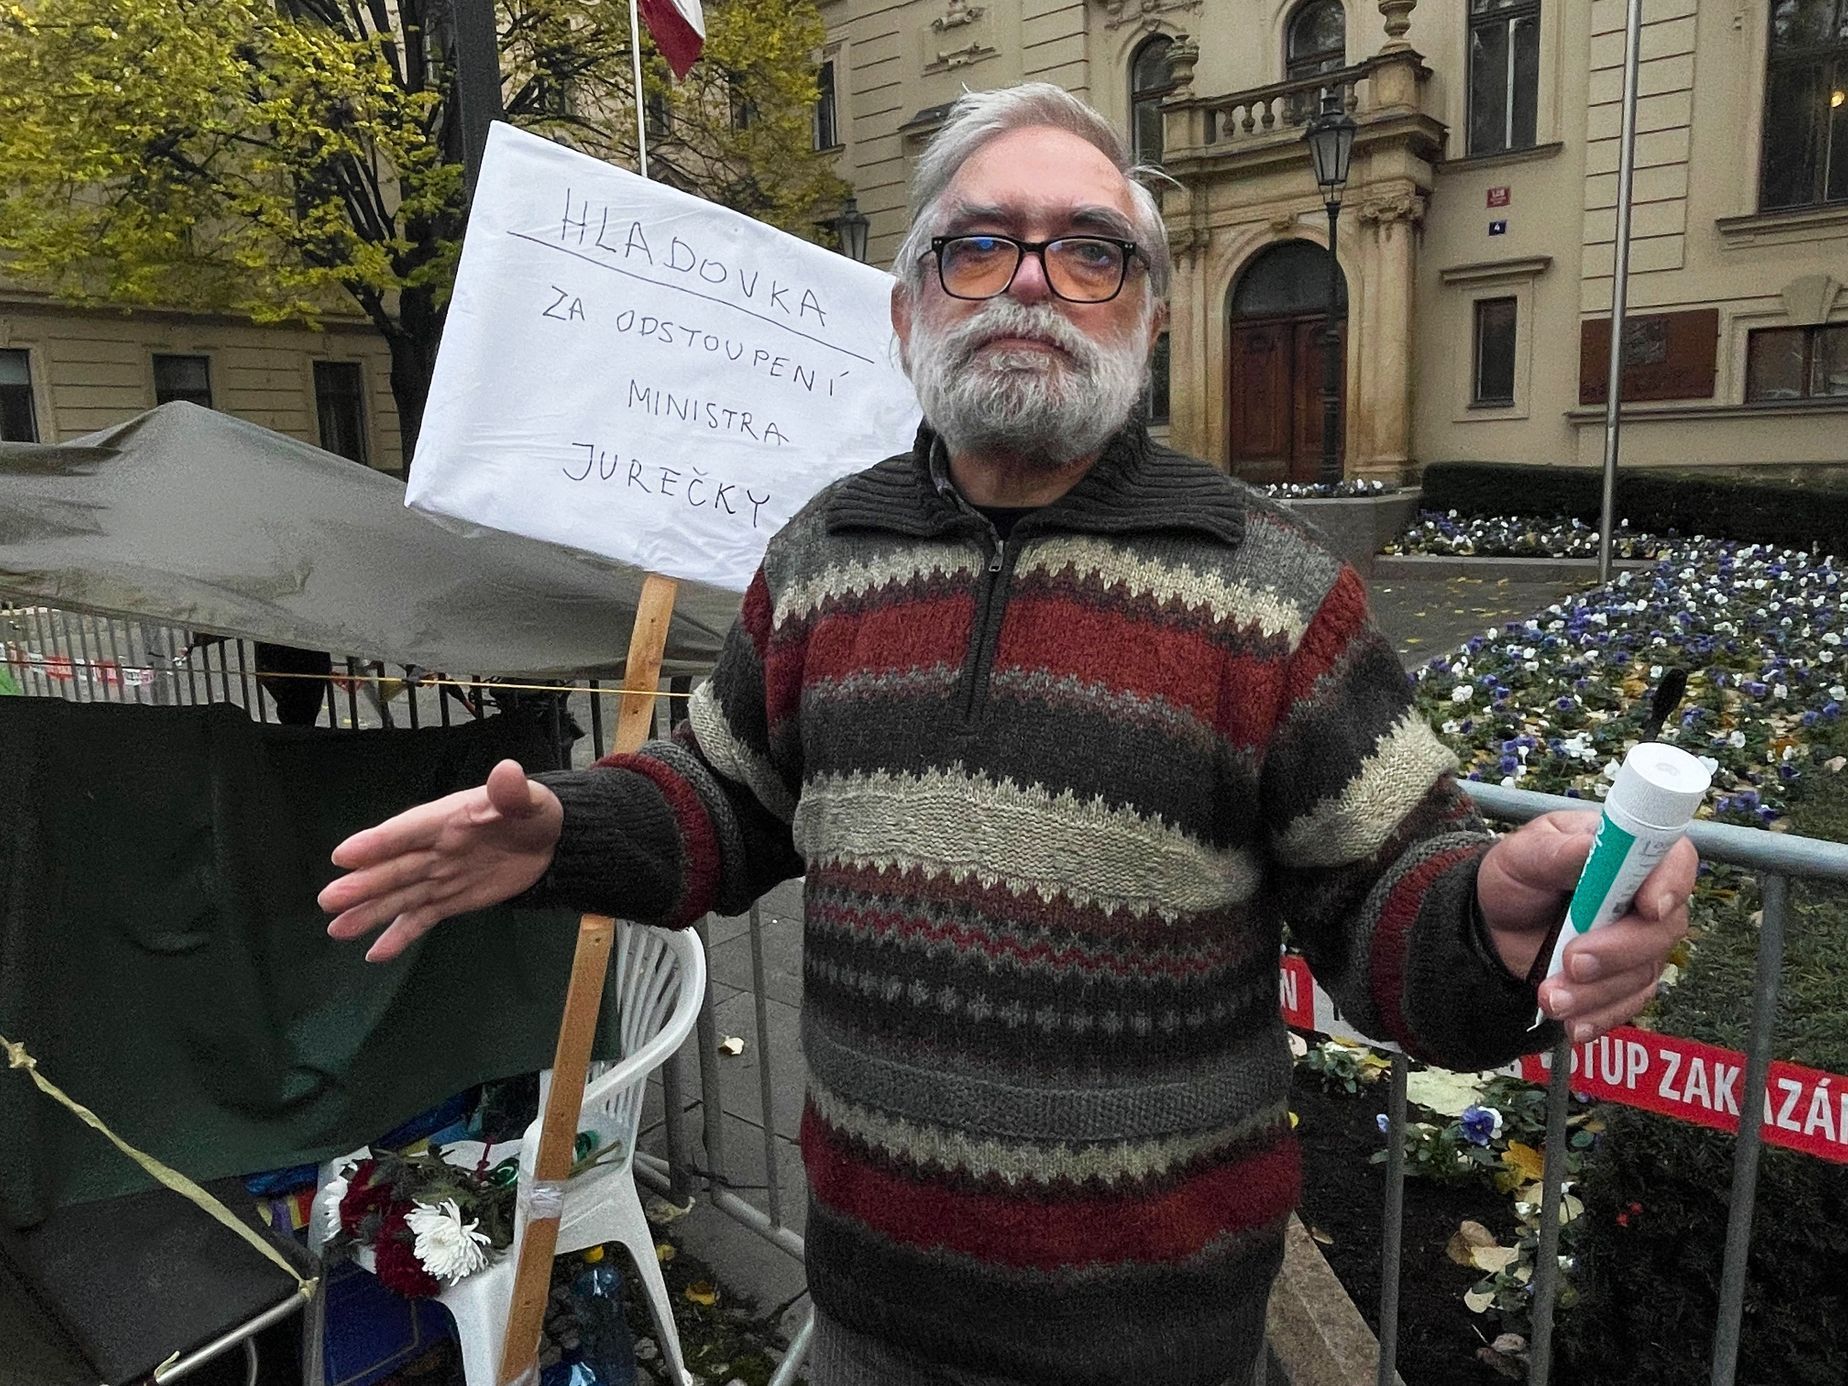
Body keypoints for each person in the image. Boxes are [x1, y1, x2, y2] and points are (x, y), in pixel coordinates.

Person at [319, 84, 1696, 1386]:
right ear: (911, 304)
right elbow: (728, 799)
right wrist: (568, 828)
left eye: (1090, 252)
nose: (1031, 280)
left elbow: (1391, 893)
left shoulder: (1270, 589)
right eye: (979, 245)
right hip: (864, 1323)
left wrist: (1492, 924)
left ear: (1146, 321)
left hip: (1157, 1350)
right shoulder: (822, 554)